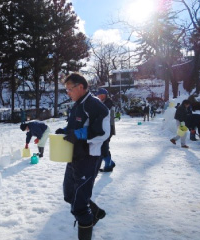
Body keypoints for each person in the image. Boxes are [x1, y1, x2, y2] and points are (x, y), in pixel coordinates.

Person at [55, 73, 110, 240]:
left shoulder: (96, 106)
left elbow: (103, 132)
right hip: (74, 156)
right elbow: (74, 125)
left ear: (80, 86)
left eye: (69, 89)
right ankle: (95, 212)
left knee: (79, 206)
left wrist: (78, 134)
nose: (68, 93)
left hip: (89, 158)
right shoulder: (77, 105)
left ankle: (87, 218)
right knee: (69, 194)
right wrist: (65, 131)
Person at [96, 88, 116, 172]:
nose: (99, 97)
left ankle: (108, 165)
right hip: (104, 128)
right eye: (98, 95)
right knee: (103, 147)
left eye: (101, 95)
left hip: (108, 128)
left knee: (104, 148)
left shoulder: (108, 103)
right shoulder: (103, 103)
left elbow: (102, 113)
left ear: (105, 95)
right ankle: (110, 162)